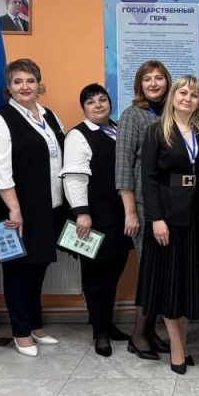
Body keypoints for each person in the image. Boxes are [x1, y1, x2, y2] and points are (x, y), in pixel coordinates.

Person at [0, 58, 66, 357]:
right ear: (9, 87)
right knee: (18, 271)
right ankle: (20, 332)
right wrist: (14, 210)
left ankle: (34, 324)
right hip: (15, 209)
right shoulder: (0, 120)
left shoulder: (49, 115)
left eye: (30, 81)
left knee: (38, 267)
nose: (25, 87)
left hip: (47, 207)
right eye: (18, 82)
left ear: (39, 84)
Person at [137, 75, 199, 374]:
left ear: (198, 102)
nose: (187, 98)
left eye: (193, 95)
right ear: (173, 97)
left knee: (187, 284)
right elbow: (148, 178)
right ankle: (177, 349)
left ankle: (181, 342)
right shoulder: (157, 130)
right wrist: (156, 218)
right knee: (170, 285)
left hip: (197, 218)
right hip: (167, 218)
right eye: (183, 93)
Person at [63, 83, 133, 358]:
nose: (98, 105)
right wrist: (82, 213)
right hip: (93, 217)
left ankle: (108, 323)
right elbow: (75, 177)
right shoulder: (77, 136)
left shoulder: (118, 129)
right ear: (84, 108)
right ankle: (99, 330)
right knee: (96, 276)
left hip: (121, 215)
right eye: (91, 102)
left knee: (114, 271)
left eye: (102, 99)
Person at [116, 60, 172, 359]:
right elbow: (123, 164)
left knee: (161, 273)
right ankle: (138, 336)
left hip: (168, 205)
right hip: (141, 205)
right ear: (139, 84)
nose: (153, 83)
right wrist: (130, 212)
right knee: (149, 272)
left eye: (159, 78)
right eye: (147, 79)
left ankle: (150, 332)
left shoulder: (172, 113)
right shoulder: (132, 114)